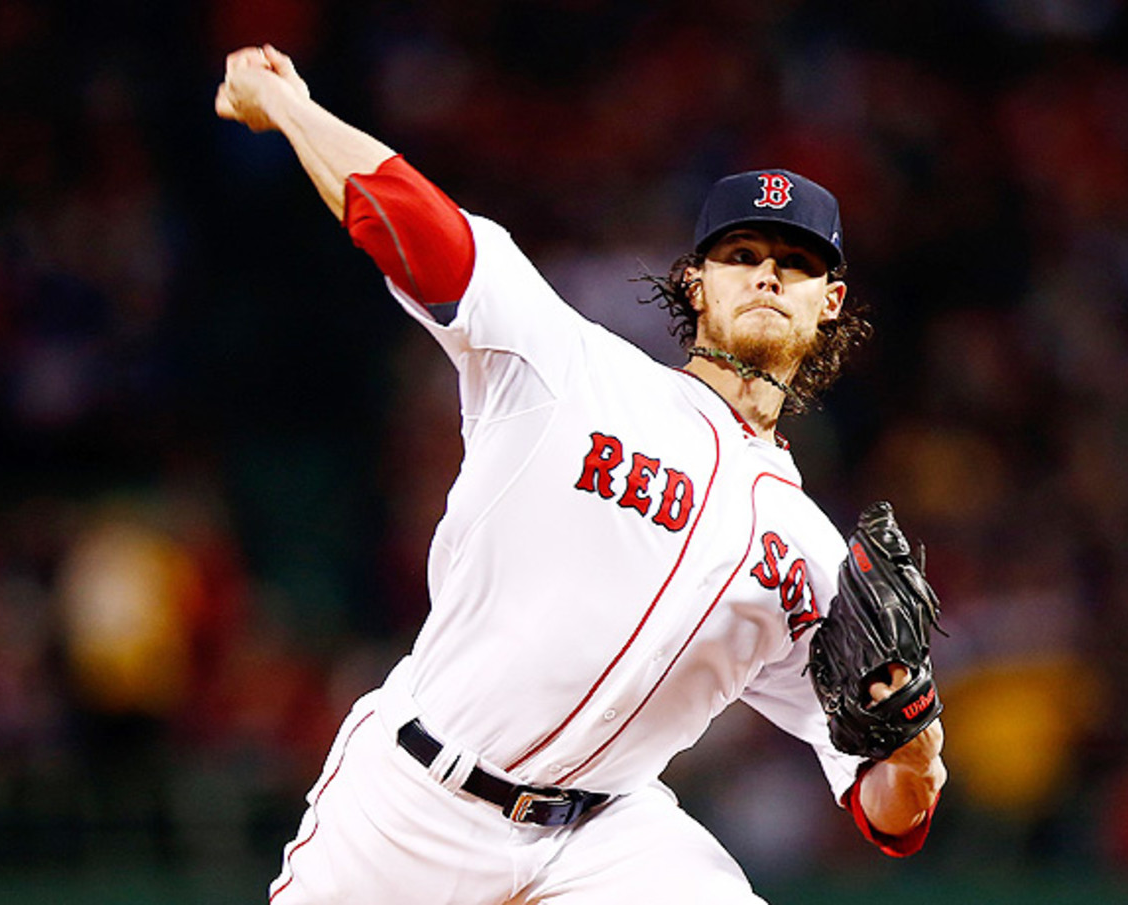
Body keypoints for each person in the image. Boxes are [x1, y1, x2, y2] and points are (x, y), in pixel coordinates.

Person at [215, 44, 946, 905]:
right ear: (695, 284)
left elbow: (891, 814)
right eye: (741, 252)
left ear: (829, 302)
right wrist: (292, 108)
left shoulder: (814, 556)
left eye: (796, 262)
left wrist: (916, 741)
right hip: (416, 799)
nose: (766, 274)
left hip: (605, 837)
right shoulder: (570, 367)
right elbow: (416, 223)